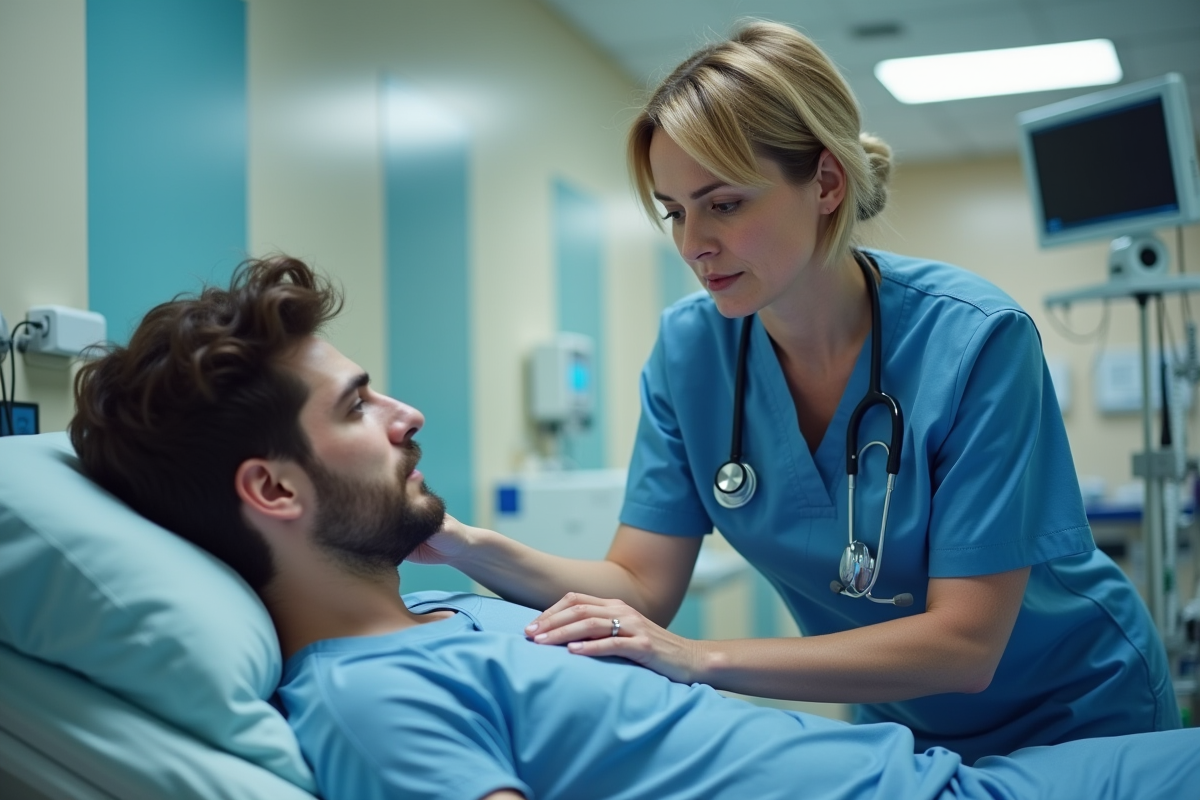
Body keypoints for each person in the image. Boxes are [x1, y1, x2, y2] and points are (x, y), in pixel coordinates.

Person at [69, 255, 1200, 800]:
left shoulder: (457, 611)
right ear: (274, 490)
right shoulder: (369, 698)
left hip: (958, 757)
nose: (408, 413)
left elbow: (635, 596)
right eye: (360, 404)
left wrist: (461, 544)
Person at [413, 20, 1180, 763]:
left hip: (1080, 706)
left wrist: (701, 657)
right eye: (674, 212)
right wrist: (461, 542)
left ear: (825, 181)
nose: (692, 244)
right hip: (902, 718)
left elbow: (964, 644)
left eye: (724, 203)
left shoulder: (975, 340)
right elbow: (639, 585)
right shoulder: (691, 353)